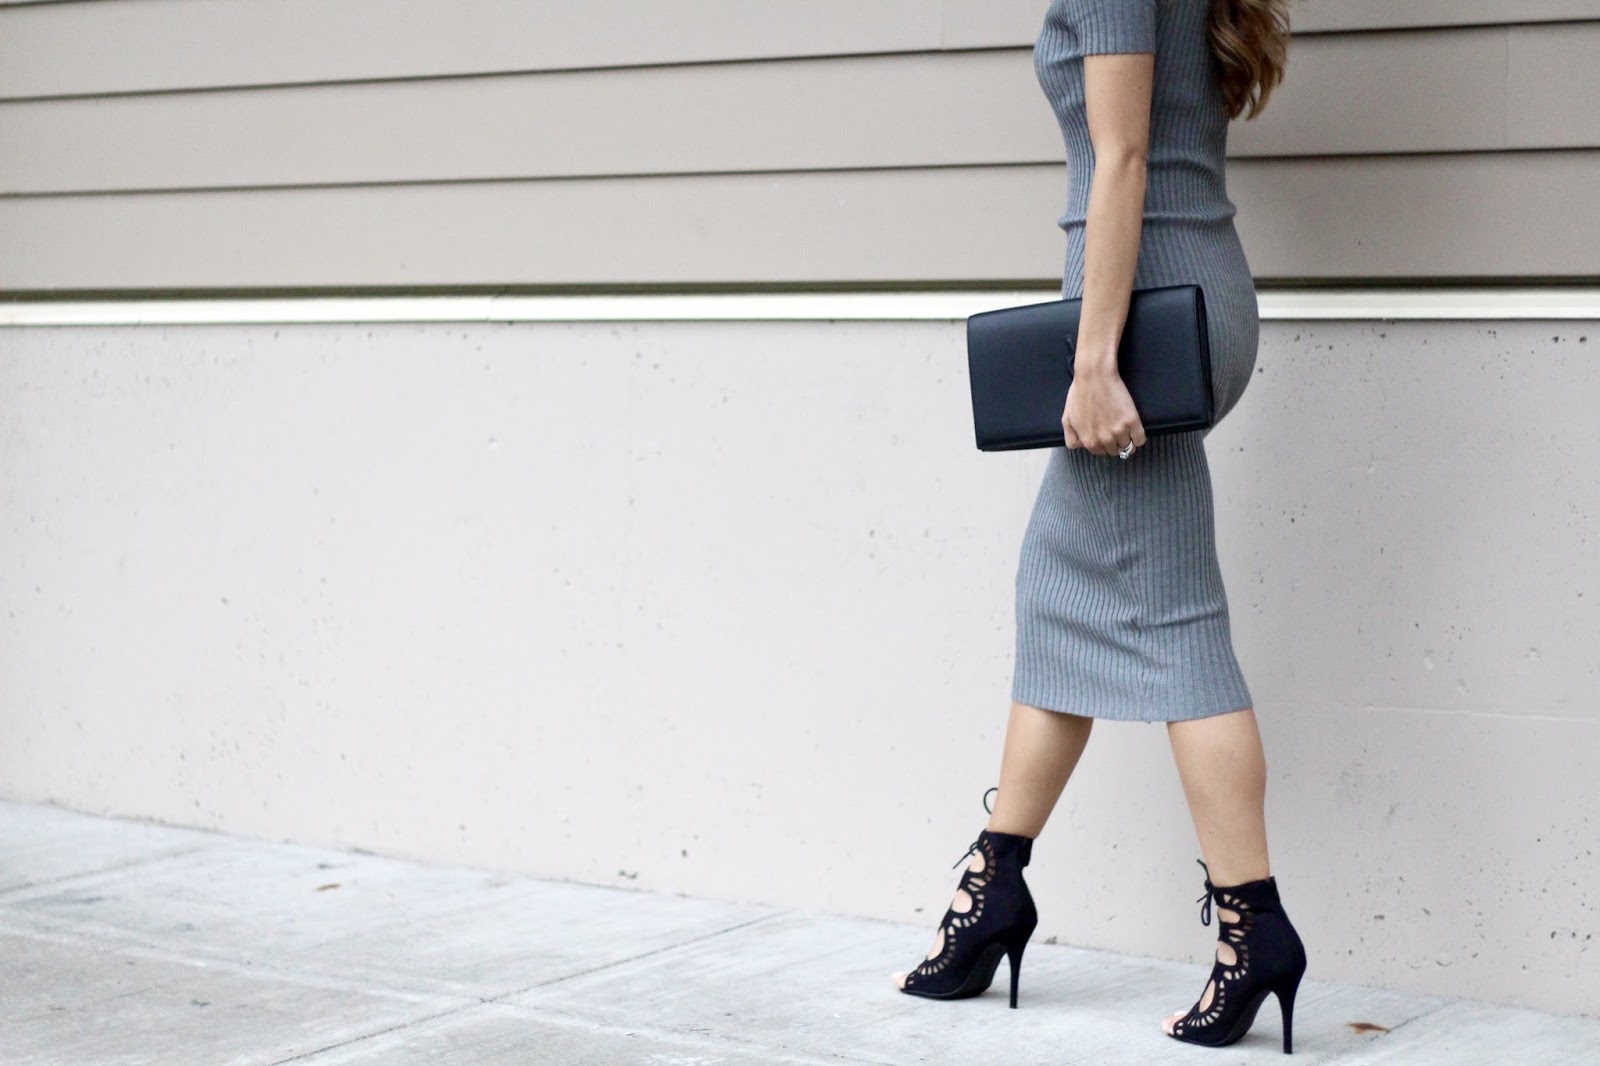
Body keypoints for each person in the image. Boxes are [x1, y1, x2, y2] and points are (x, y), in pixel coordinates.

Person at [891, 0, 1308, 1053]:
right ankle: (994, 886)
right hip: (1174, 293)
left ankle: (1253, 930)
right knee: (1057, 594)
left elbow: (1121, 158)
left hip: (1141, 318)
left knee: (1174, 622)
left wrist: (1092, 361)